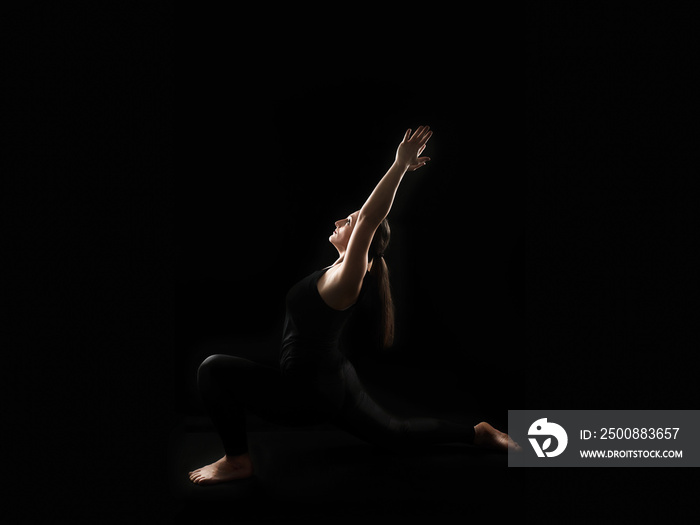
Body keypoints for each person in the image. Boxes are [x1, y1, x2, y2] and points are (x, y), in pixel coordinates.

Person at [188, 126, 521, 485]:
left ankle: (237, 461)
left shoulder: (348, 277)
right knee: (397, 433)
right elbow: (366, 219)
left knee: (212, 369)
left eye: (346, 221)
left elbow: (368, 217)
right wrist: (398, 174)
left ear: (363, 239)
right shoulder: (342, 271)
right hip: (334, 378)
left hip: (308, 392)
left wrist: (398, 166)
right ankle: (478, 433)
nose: (339, 221)